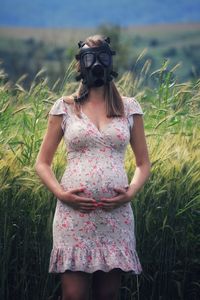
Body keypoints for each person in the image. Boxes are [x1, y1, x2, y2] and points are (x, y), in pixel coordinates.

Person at [35, 34, 151, 300]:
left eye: (102, 57)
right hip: (73, 215)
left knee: (108, 295)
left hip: (115, 215)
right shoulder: (64, 107)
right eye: (90, 57)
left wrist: (131, 192)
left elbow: (144, 163)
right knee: (73, 295)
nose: (96, 63)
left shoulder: (129, 107)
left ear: (111, 63)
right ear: (81, 64)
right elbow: (42, 163)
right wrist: (61, 194)